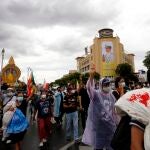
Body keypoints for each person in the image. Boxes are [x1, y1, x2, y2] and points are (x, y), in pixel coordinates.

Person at [82, 68, 117, 150]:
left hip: (110, 128)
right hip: (99, 128)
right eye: (105, 85)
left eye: (108, 84)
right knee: (98, 147)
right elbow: (89, 88)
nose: (107, 86)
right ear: (101, 85)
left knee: (111, 147)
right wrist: (91, 76)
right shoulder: (96, 95)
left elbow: (114, 111)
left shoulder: (111, 96)